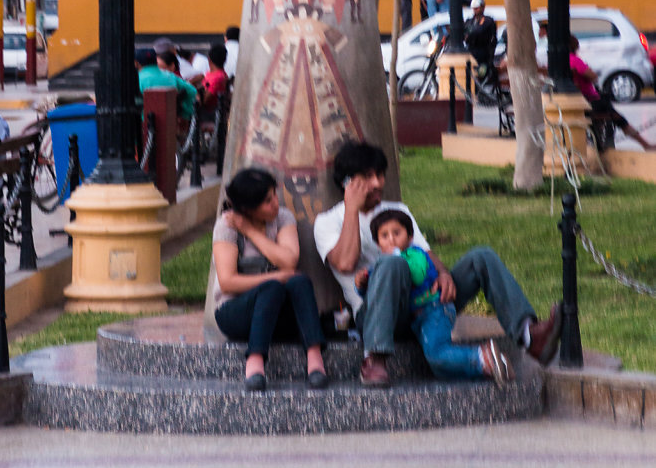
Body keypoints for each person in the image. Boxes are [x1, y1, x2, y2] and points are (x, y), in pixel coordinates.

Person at [313, 140, 562, 387]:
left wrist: (443, 274)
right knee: (393, 264)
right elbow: (345, 262)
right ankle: (376, 359)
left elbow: (424, 252)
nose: (378, 183)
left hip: (427, 305)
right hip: (380, 319)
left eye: (380, 174)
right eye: (368, 177)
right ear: (348, 183)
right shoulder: (327, 222)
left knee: (481, 257)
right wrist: (352, 209)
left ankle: (530, 336)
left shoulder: (396, 210)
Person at [355, 209, 513, 387]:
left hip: (433, 312)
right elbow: (374, 293)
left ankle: (489, 353)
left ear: (410, 237)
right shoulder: (381, 263)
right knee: (438, 363)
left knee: (436, 353)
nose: (391, 239)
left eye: (397, 233)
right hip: (401, 318)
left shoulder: (416, 254)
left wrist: (397, 257)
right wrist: (361, 283)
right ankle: (485, 361)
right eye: (384, 236)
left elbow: (418, 274)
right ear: (378, 243)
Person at [212, 167, 328, 391]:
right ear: (247, 208)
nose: (275, 203)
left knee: (299, 282)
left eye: (274, 195)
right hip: (235, 313)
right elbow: (228, 282)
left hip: (277, 315)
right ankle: (255, 362)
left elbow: (288, 261)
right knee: (272, 287)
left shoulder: (282, 218)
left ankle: (315, 360)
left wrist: (251, 231)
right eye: (267, 201)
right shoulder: (226, 226)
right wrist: (274, 278)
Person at [569, 34, 655, 151]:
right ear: (575, 46)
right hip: (590, 101)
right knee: (619, 119)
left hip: (577, 102)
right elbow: (593, 76)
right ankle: (645, 145)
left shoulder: (559, 62)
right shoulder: (575, 60)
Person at [135, 47, 197, 121]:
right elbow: (192, 91)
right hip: (170, 122)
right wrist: (185, 114)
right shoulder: (170, 76)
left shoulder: (137, 78)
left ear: (136, 63)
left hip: (144, 124)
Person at [464, 0, 497, 79]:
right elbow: (464, 33)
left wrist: (470, 33)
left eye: (477, 8)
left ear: (482, 8)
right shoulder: (469, 21)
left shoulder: (488, 21)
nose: (475, 11)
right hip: (470, 52)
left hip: (483, 54)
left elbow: (479, 31)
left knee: (480, 74)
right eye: (474, 8)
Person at [200, 43, 229, 112]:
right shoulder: (215, 74)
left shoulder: (218, 78)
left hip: (208, 114)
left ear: (209, 60)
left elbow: (204, 100)